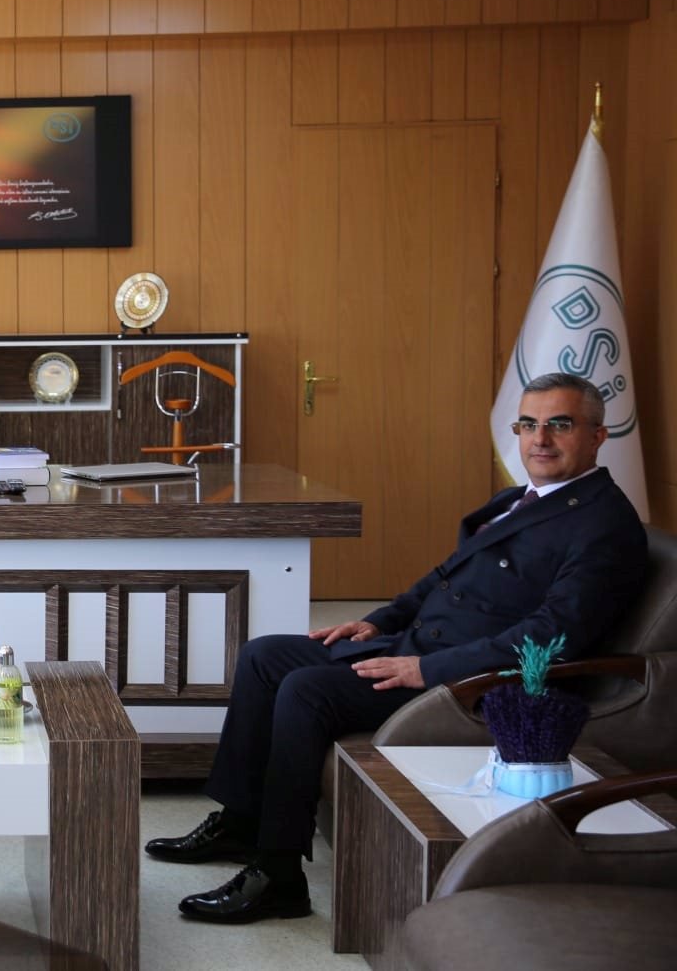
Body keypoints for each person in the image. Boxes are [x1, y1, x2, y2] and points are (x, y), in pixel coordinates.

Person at [146, 372, 648, 924]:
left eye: (560, 424)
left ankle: (279, 874)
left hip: (474, 682)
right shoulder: (518, 499)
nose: (540, 439)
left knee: (308, 690)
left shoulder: (604, 524)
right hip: (419, 646)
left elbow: (554, 635)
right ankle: (243, 822)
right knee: (264, 655)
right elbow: (442, 578)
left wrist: (426, 668)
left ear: (597, 436)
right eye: (528, 425)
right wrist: (376, 621)